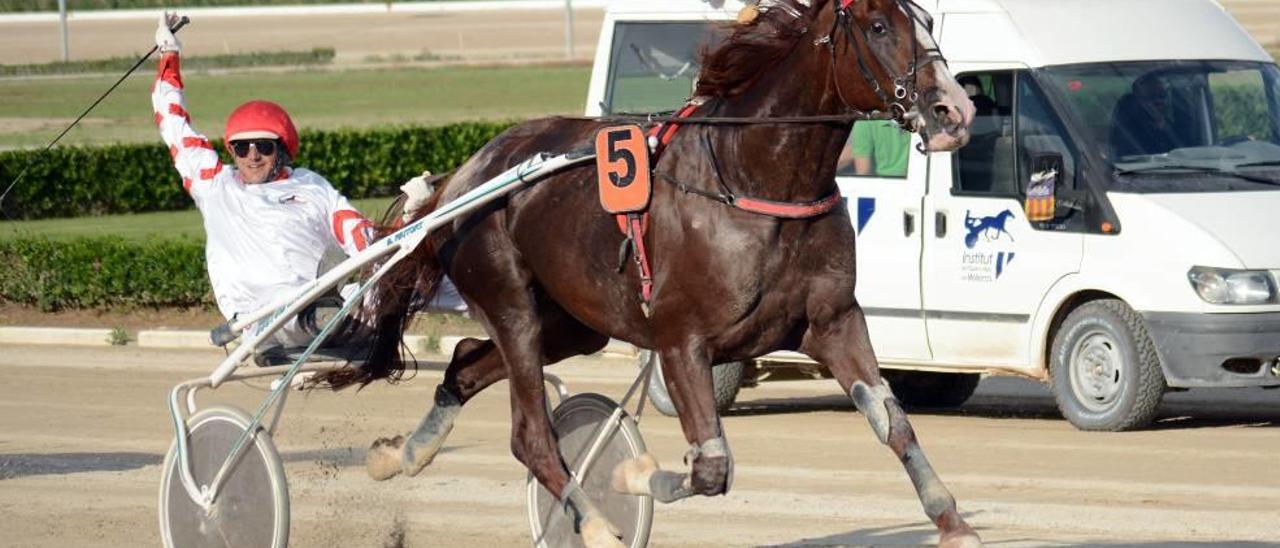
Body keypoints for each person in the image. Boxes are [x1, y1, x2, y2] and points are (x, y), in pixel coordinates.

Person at [151, 13, 381, 355]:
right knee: (305, 303)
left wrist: (400, 242)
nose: (253, 156)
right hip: (260, 319)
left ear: (283, 150)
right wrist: (169, 55)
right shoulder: (215, 185)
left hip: (324, 303)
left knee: (401, 279)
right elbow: (174, 123)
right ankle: (321, 316)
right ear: (232, 151)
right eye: (242, 147)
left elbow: (357, 233)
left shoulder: (312, 186)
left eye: (264, 146)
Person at [1109, 74, 1194, 158]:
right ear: (1137, 102)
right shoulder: (1128, 135)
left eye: (1162, 96)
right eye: (1151, 96)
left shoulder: (1180, 132)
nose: (1158, 101)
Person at [842, 119, 911, 177]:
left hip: (883, 185)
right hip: (916, 182)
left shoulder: (865, 120)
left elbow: (863, 171)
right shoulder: (916, 112)